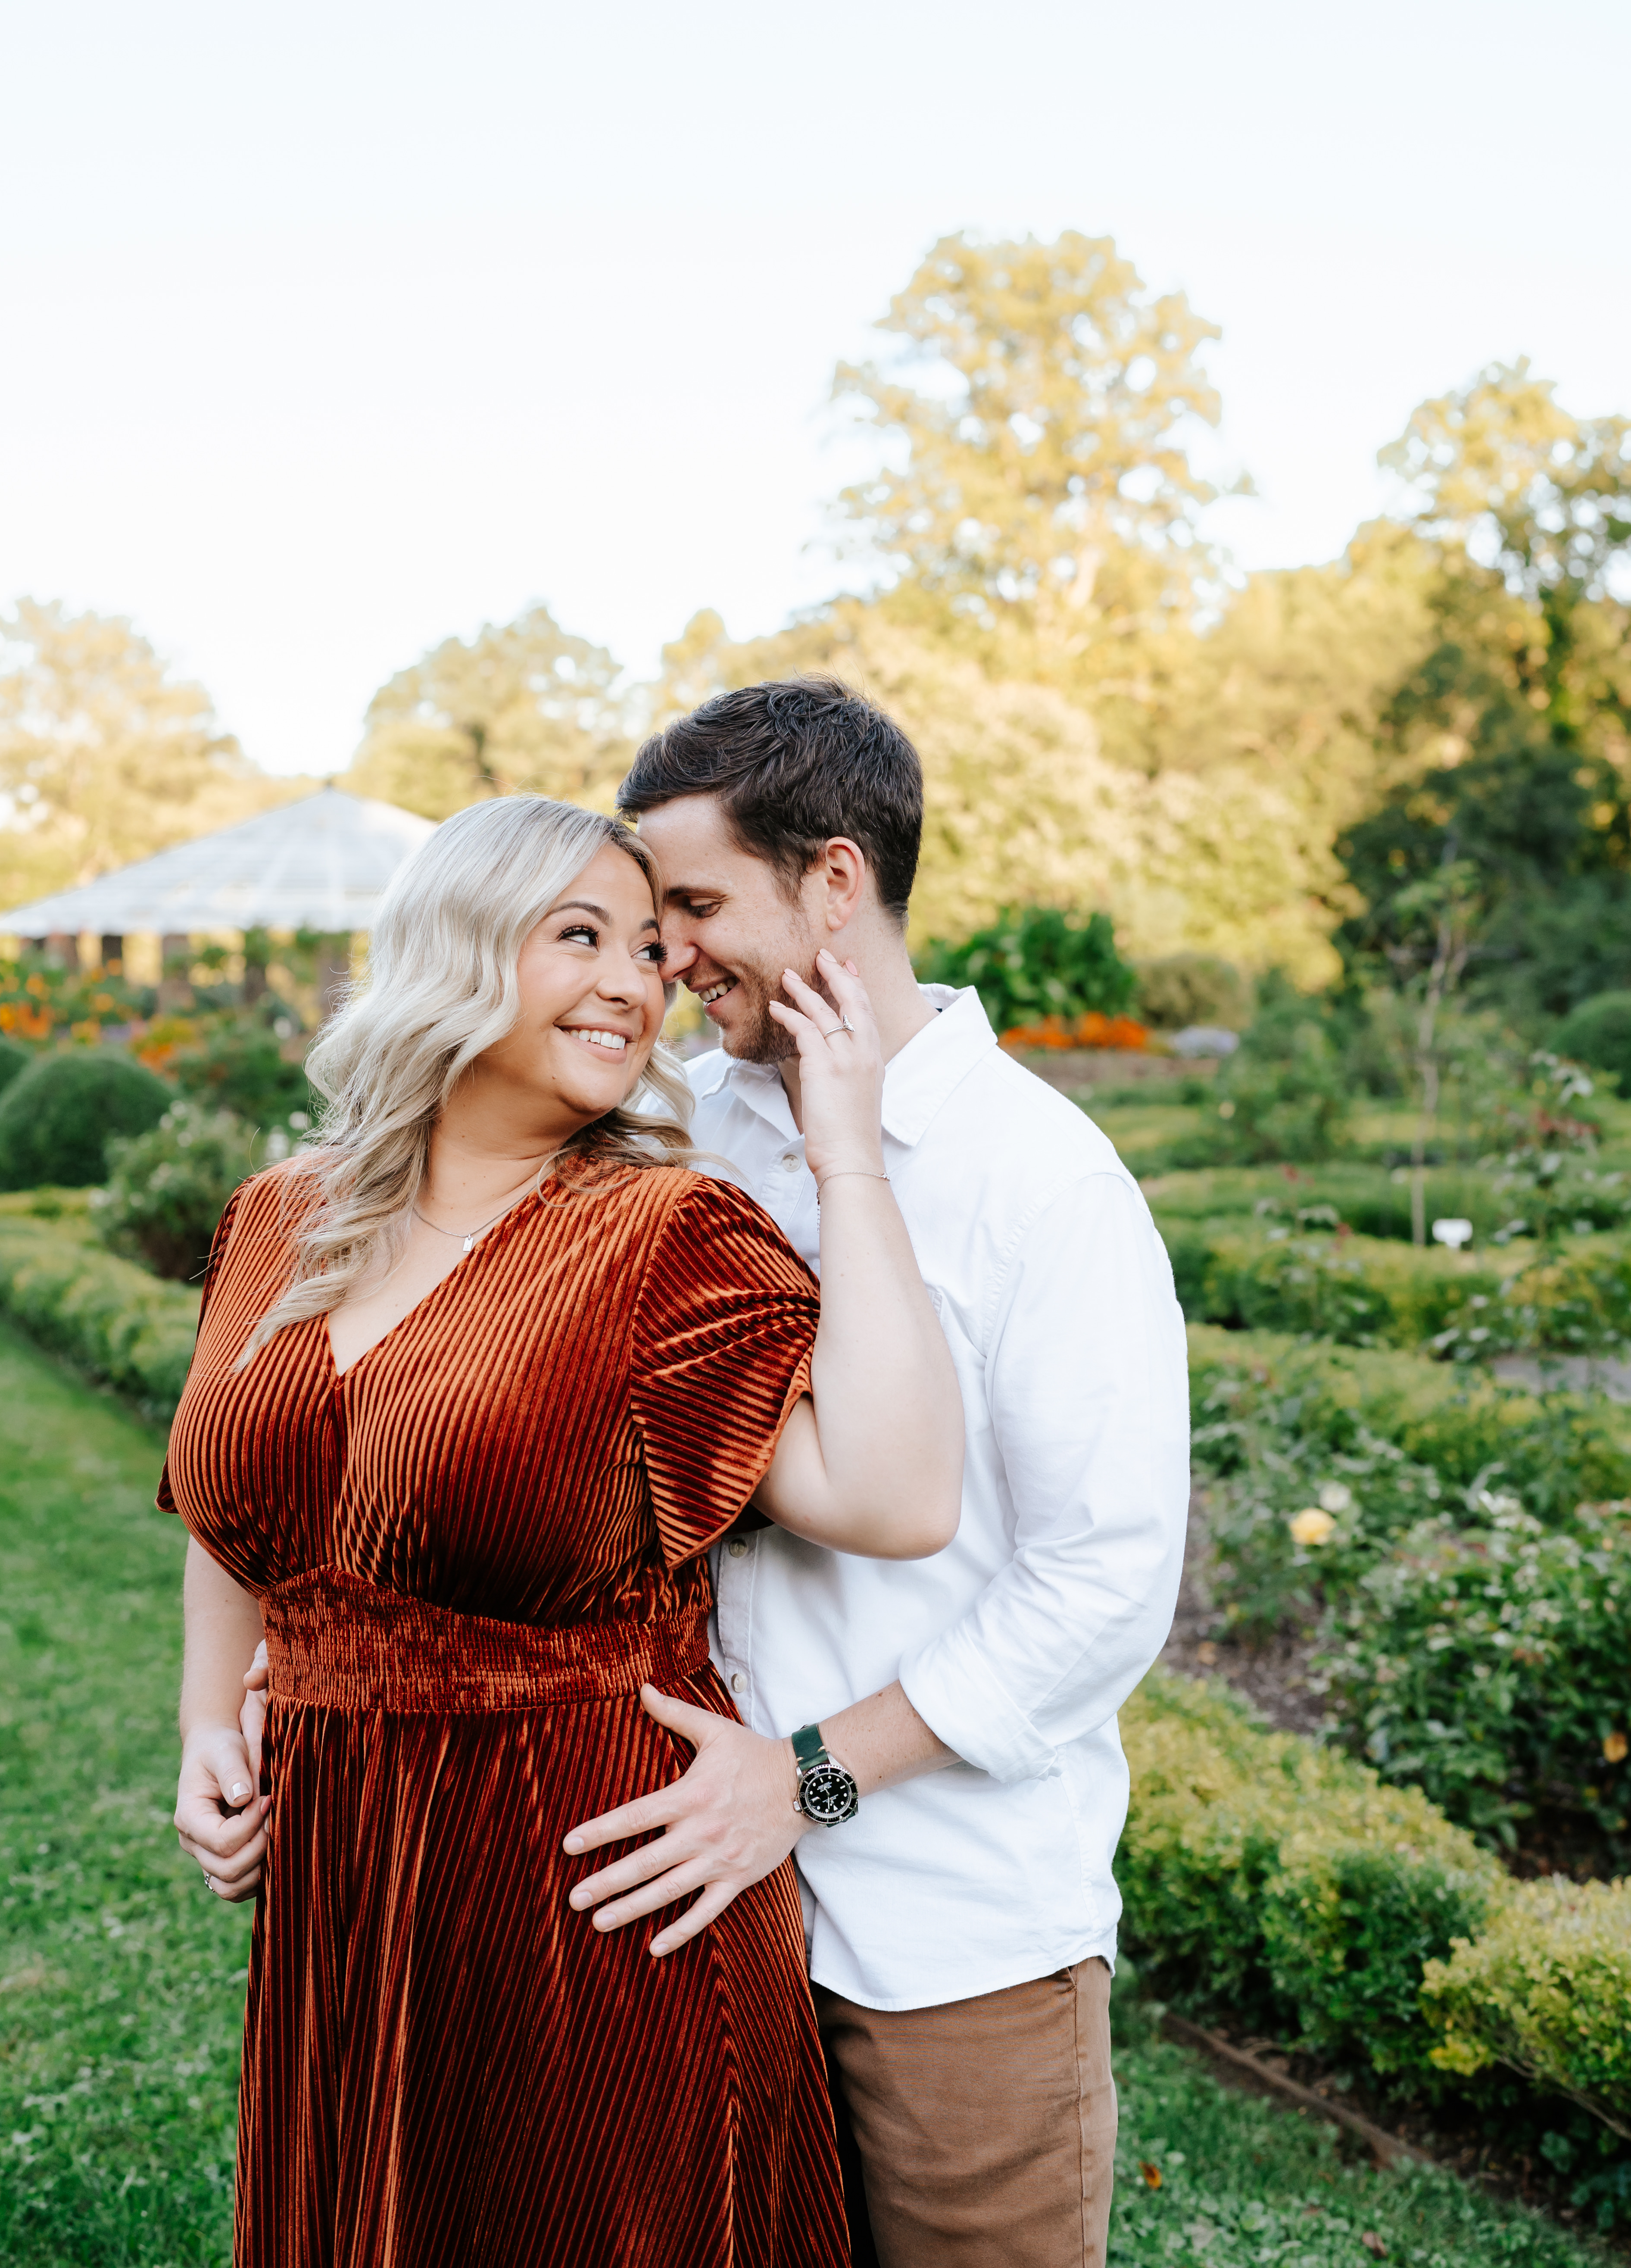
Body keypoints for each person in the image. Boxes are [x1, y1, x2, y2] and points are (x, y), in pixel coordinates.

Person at [165, 791, 963, 2268]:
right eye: (579, 936)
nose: (633, 983)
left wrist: (846, 1152)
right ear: (455, 949)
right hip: (348, 1891)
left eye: (655, 951)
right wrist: (212, 1719)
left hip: (593, 1890)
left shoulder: (664, 1237)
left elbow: (900, 1499)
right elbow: (235, 1507)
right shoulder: (281, 1216)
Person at [564, 679, 1189, 2268]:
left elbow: (1104, 1587)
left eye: (697, 905)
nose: (670, 954)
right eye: (654, 914)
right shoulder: (671, 1133)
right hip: (696, 1912)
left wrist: (810, 1776)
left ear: (835, 883)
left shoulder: (1044, 1182)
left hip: (948, 1940)